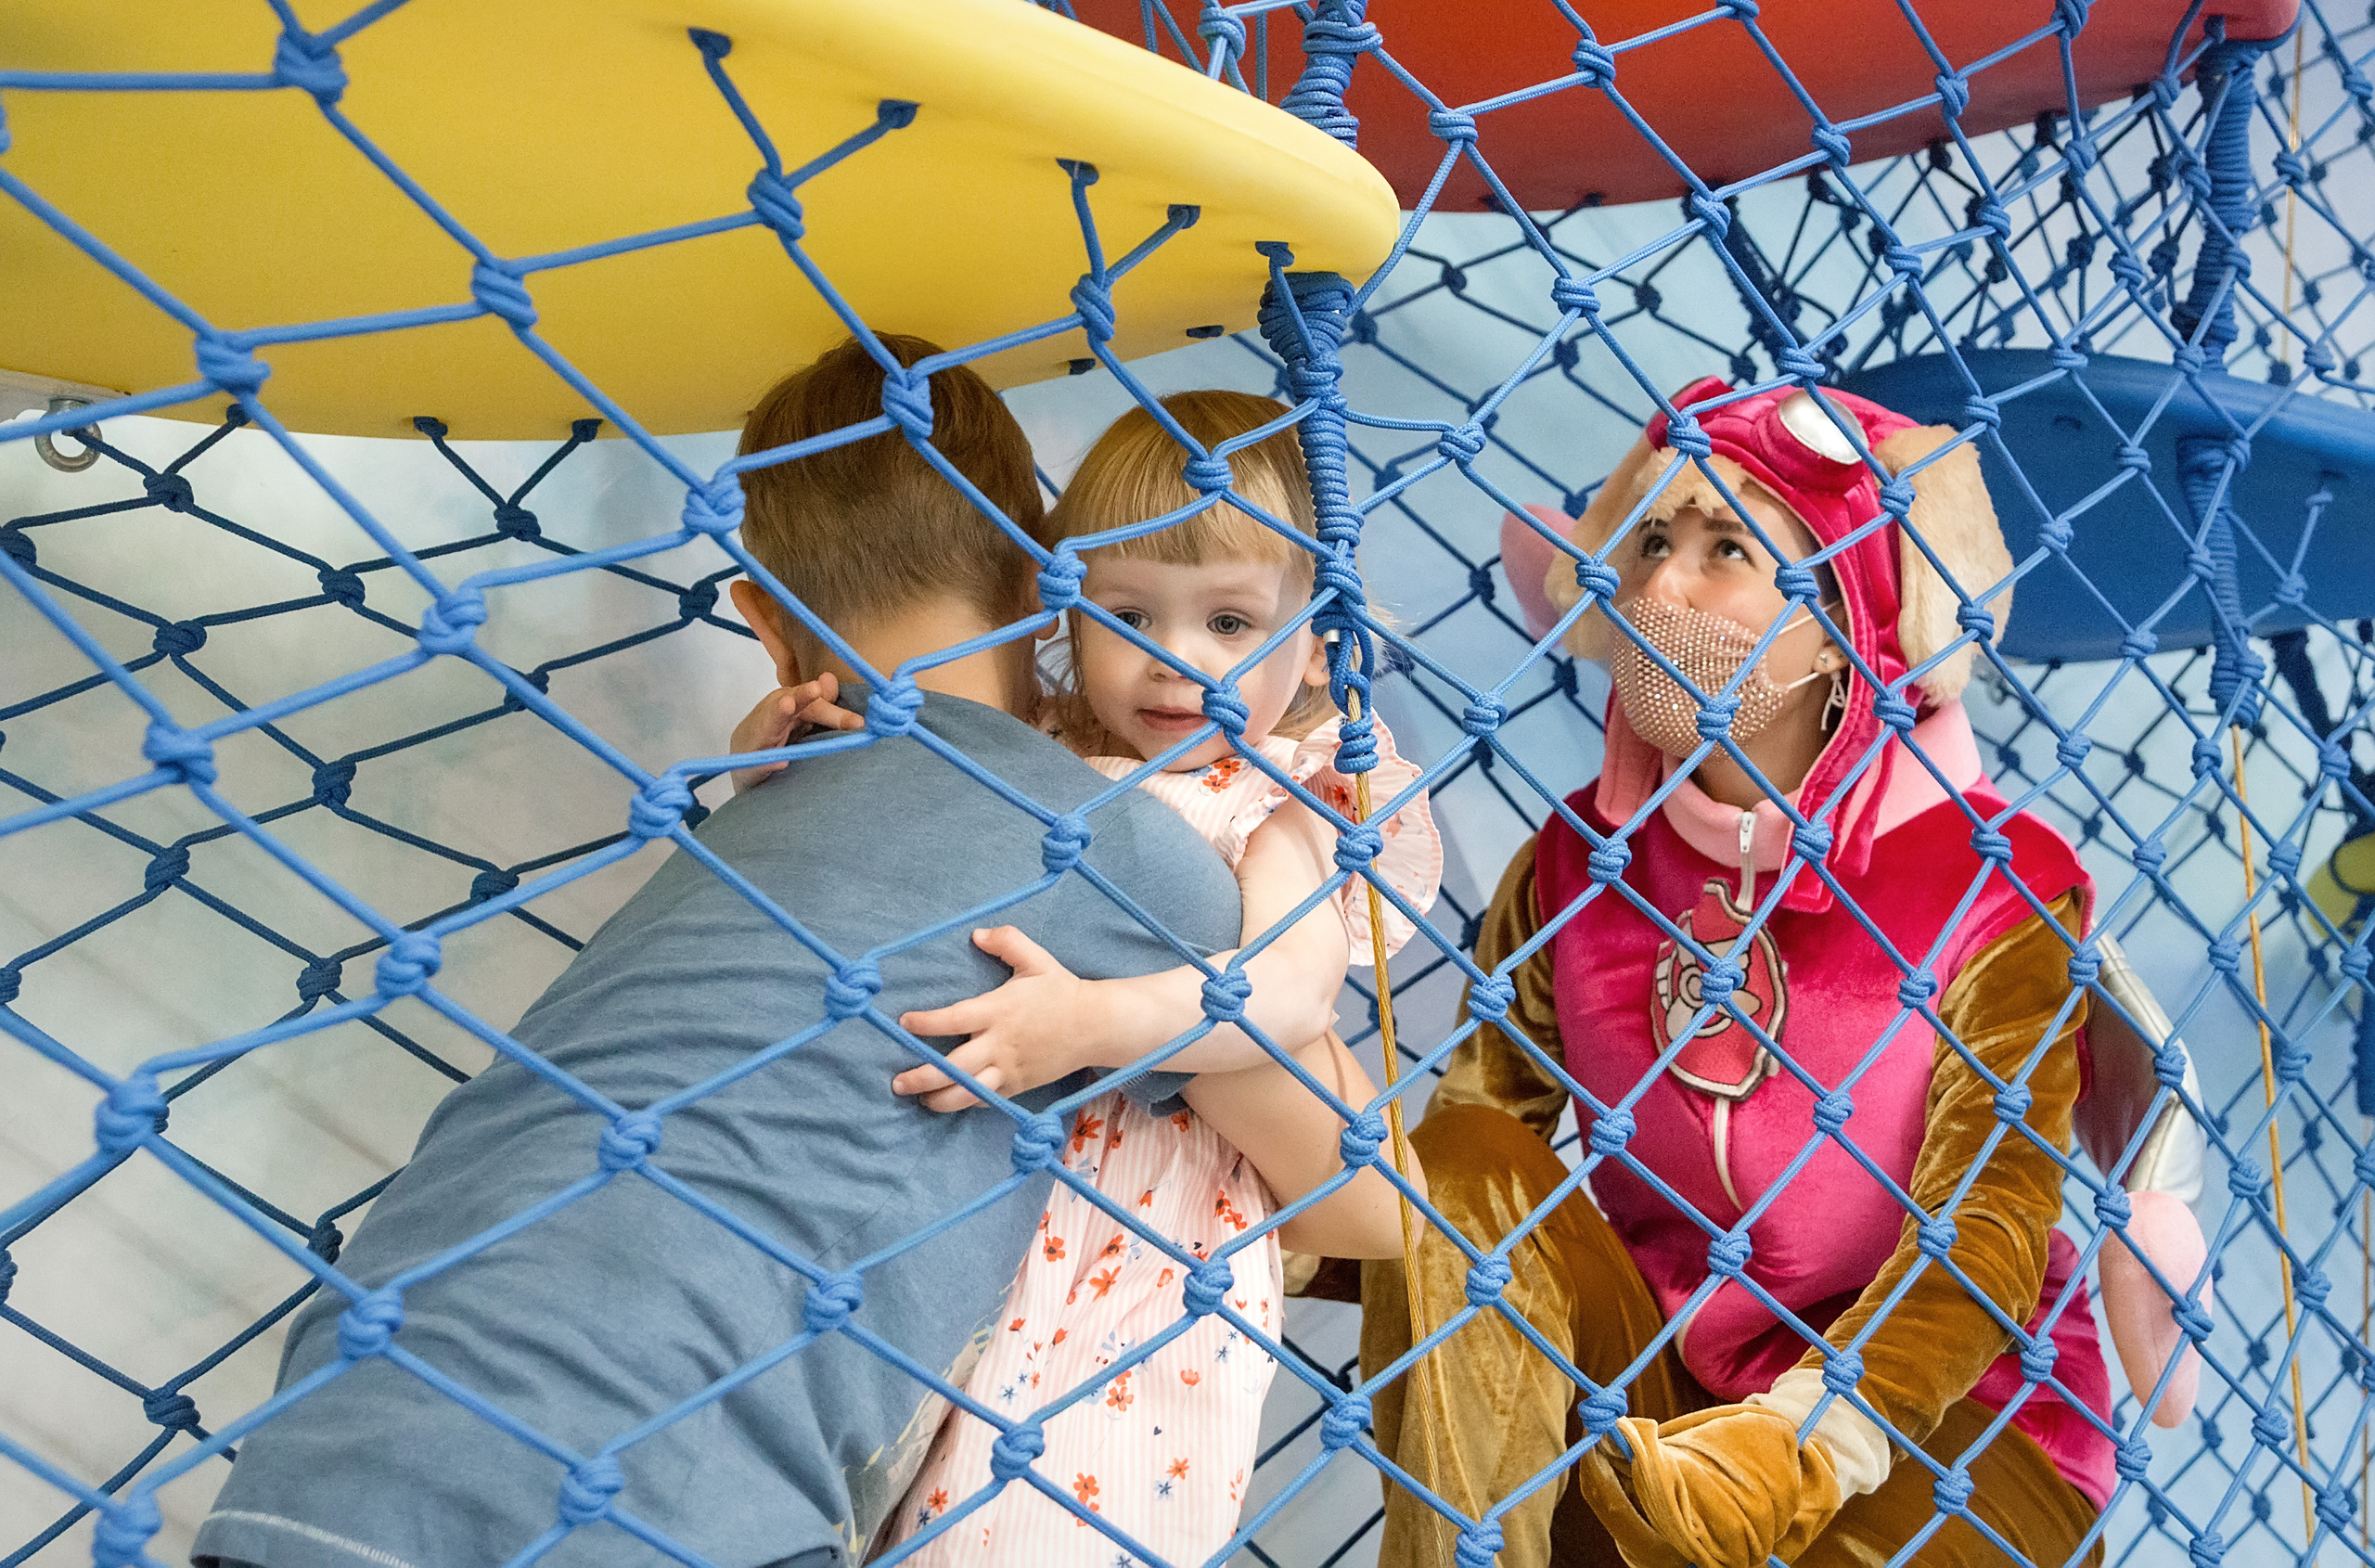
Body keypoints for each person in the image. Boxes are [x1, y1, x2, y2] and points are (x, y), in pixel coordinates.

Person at [190, 335, 1249, 1568]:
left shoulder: (738, 825)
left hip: (329, 1438)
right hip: (674, 1486)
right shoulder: (1116, 849)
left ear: (761, 617)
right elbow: (1355, 1188)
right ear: (1039, 576)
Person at [1359, 379, 2114, 1568]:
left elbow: (1992, 1228)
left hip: (1952, 1425)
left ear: (1848, 612)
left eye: (1725, 549)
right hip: (1660, 1383)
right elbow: (1471, 1164)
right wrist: (1251, 1198)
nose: (1661, 588)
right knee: (1457, 1158)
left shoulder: (1993, 881)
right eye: (1651, 542)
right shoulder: (1579, 860)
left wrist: (1806, 1444)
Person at [736, 391, 1441, 1566]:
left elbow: (1290, 997)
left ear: (1317, 639)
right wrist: (774, 755)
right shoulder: (1045, 745)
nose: (1175, 660)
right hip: (986, 1213)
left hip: (1153, 1257)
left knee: (1028, 1535)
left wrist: (1090, 1022)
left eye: (1229, 621)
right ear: (1064, 607)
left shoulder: (1282, 804)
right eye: (1129, 613)